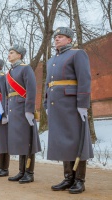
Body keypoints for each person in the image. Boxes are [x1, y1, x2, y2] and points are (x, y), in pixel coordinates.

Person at [44, 27, 93, 194]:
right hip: (57, 106)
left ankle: (79, 179)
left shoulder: (77, 54)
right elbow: (48, 84)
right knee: (64, 142)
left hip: (72, 105)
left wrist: (82, 104)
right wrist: (46, 104)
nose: (57, 39)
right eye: (56, 37)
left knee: (76, 140)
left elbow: (84, 79)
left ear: (69, 40)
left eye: (61, 37)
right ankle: (68, 178)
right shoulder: (51, 60)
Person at [6, 44, 41, 183]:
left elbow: (31, 90)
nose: (9, 55)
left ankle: (29, 172)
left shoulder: (26, 69)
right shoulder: (10, 72)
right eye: (9, 52)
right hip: (14, 110)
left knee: (27, 141)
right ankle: (21, 171)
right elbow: (9, 94)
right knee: (20, 141)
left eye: (12, 52)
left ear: (19, 55)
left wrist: (29, 110)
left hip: (23, 109)